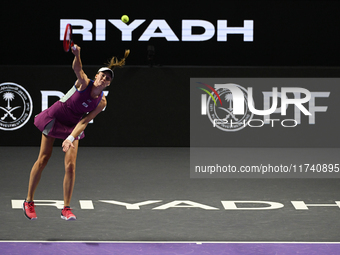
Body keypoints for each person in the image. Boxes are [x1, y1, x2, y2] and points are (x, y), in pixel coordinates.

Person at [23, 45, 130, 220]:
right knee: (43, 159)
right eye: (102, 75)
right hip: (55, 117)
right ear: (96, 76)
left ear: (109, 84)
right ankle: (29, 201)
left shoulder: (102, 102)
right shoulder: (84, 83)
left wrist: (70, 138)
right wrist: (78, 54)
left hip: (73, 125)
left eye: (107, 79)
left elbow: (85, 121)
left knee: (71, 166)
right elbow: (77, 68)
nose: (104, 79)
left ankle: (66, 208)